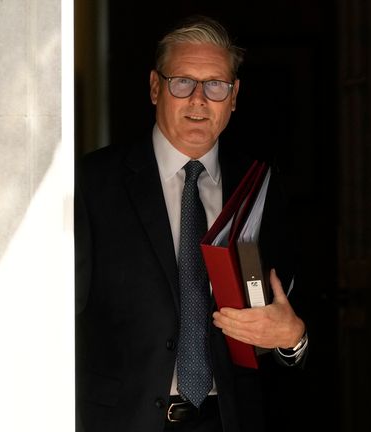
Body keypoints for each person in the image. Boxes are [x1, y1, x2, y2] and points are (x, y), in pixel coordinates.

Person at [75, 15, 308, 432]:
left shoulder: (261, 187)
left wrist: (293, 339)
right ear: (154, 87)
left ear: (234, 96)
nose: (199, 100)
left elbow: (289, 317)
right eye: (182, 82)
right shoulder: (92, 184)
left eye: (215, 85)